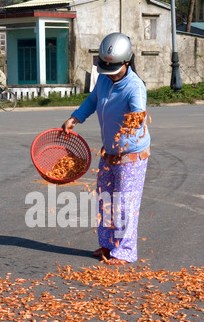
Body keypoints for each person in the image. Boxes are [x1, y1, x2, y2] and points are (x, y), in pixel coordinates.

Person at [62, 32, 151, 265]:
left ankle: (126, 250)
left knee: (125, 203)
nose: (109, 75)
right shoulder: (103, 79)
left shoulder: (135, 87)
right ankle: (109, 244)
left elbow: (138, 115)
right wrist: (75, 118)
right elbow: (92, 101)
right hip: (108, 152)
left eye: (115, 70)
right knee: (106, 200)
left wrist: (134, 122)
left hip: (130, 156)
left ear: (127, 63)